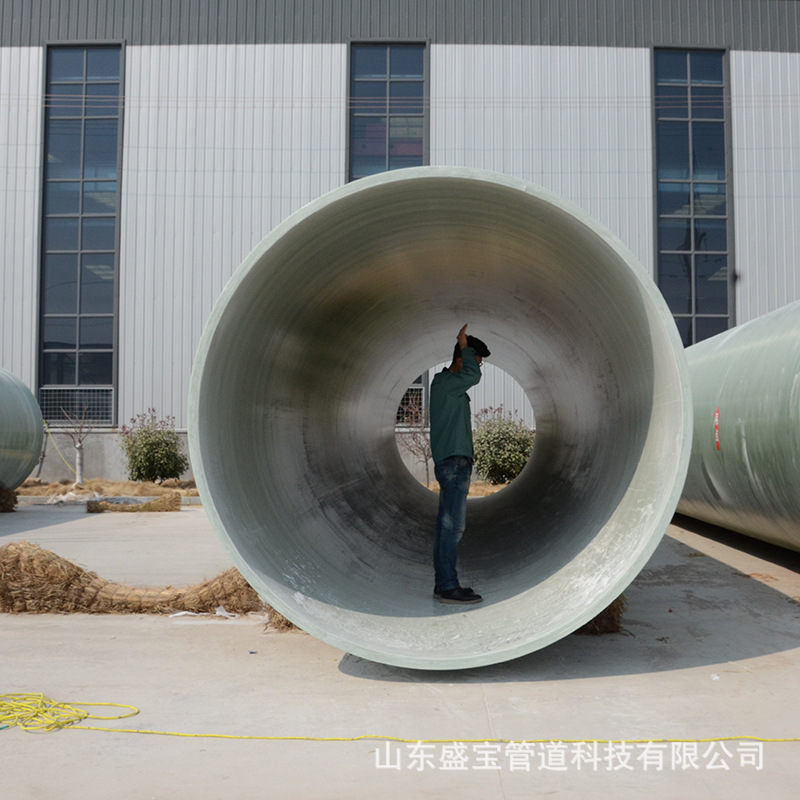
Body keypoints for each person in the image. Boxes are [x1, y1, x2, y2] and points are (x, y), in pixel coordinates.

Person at [429, 323, 491, 605]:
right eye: (476, 361)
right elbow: (472, 375)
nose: (478, 369)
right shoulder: (444, 383)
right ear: (460, 359)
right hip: (453, 463)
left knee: (448, 526)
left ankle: (445, 584)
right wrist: (465, 346)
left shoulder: (449, 387)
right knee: (452, 527)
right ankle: (447, 586)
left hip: (456, 462)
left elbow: (471, 375)